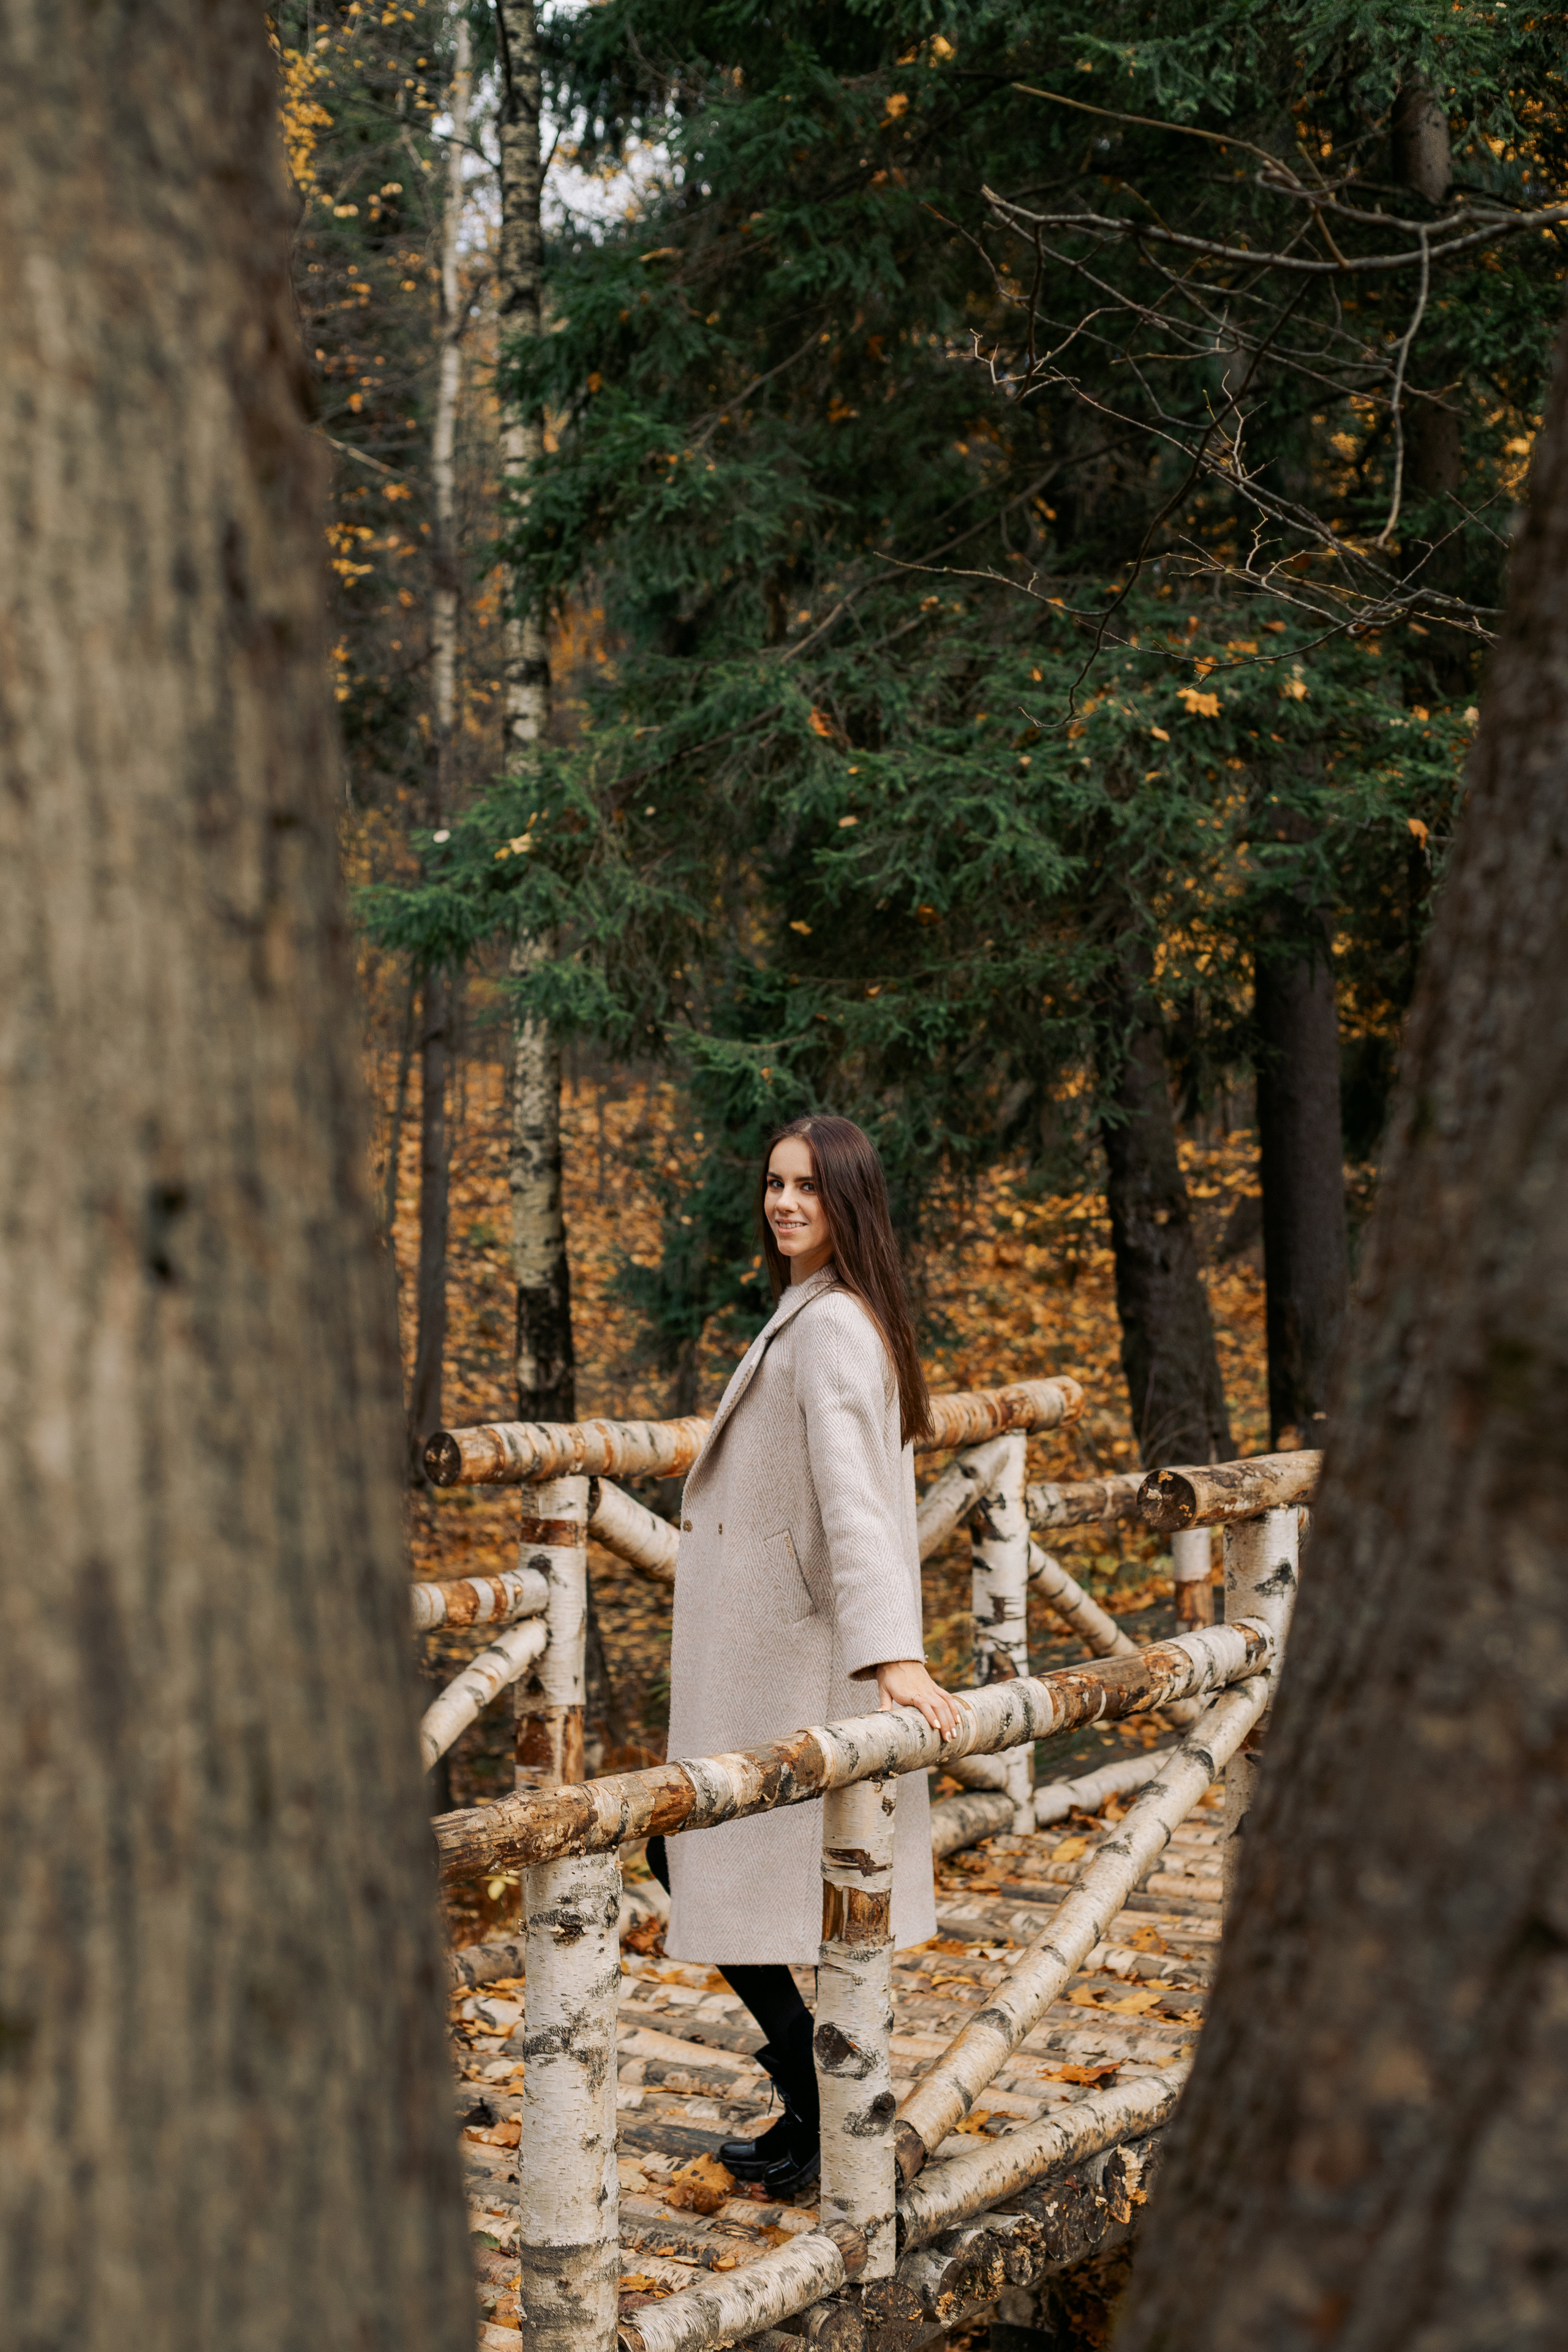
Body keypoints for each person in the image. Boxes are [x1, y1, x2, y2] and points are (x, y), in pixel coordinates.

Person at [644, 1113, 960, 2197]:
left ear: (848, 1202)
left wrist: (891, 1658)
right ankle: (816, 2111)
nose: (784, 1204)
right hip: (775, 1652)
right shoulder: (829, 1310)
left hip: (798, 1660)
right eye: (774, 1183)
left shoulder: (830, 1329)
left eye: (808, 1189)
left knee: (696, 1854)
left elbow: (858, 1505)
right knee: (709, 1861)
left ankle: (822, 2112)